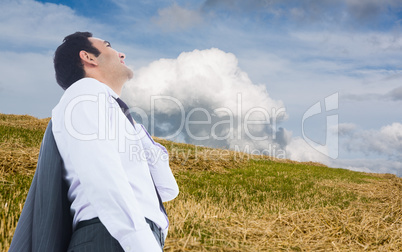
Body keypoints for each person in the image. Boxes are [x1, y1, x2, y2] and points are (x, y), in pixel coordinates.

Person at [51, 32, 179, 251]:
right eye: (109, 46)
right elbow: (100, 172)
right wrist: (140, 242)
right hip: (112, 237)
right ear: (88, 57)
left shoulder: (116, 112)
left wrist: (137, 131)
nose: (122, 53)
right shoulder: (85, 93)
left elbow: (167, 189)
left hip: (129, 236)